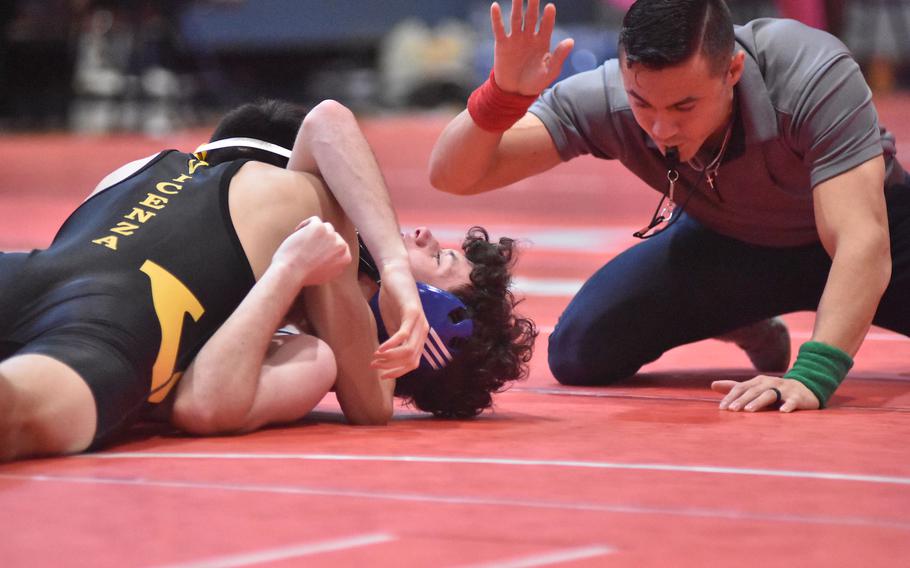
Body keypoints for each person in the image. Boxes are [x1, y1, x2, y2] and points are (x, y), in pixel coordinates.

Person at [429, 0, 909, 412]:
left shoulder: (809, 70)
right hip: (731, 243)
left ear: (733, 71)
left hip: (881, 238)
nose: (661, 130)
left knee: (861, 241)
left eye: (683, 107)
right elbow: (454, 176)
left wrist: (810, 377)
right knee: (580, 352)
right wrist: (500, 99)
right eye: (643, 104)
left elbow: (861, 241)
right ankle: (744, 315)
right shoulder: (607, 96)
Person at [0, 98, 536, 461]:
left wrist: (288, 273)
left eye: (439, 257)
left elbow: (205, 406)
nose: (421, 233)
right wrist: (390, 266)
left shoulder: (309, 323)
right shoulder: (325, 230)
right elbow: (326, 121)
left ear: (437, 321)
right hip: (56, 276)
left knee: (14, 413)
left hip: (106, 325)